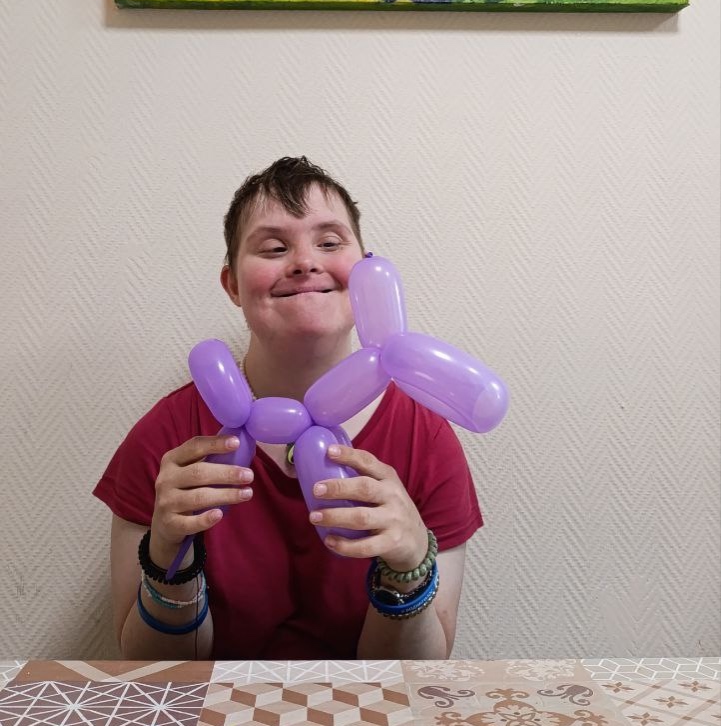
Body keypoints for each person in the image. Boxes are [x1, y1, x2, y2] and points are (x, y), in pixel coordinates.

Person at [94, 156, 483, 660]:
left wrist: (408, 568)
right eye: (274, 248)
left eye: (330, 243)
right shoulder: (168, 438)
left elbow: (418, 675)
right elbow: (148, 669)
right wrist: (169, 556)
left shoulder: (426, 440)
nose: (304, 262)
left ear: (367, 272)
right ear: (233, 285)